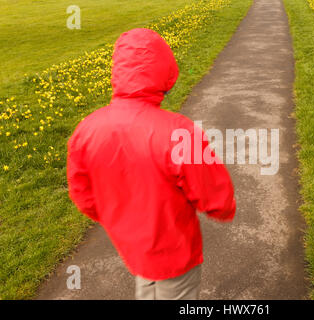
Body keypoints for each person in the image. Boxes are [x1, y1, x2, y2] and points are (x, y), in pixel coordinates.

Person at [67, 28, 236, 300]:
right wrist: (223, 209)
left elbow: (83, 194)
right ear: (165, 72)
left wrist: (112, 215)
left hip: (131, 244)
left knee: (147, 285)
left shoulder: (87, 129)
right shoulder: (178, 131)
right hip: (175, 248)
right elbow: (211, 189)